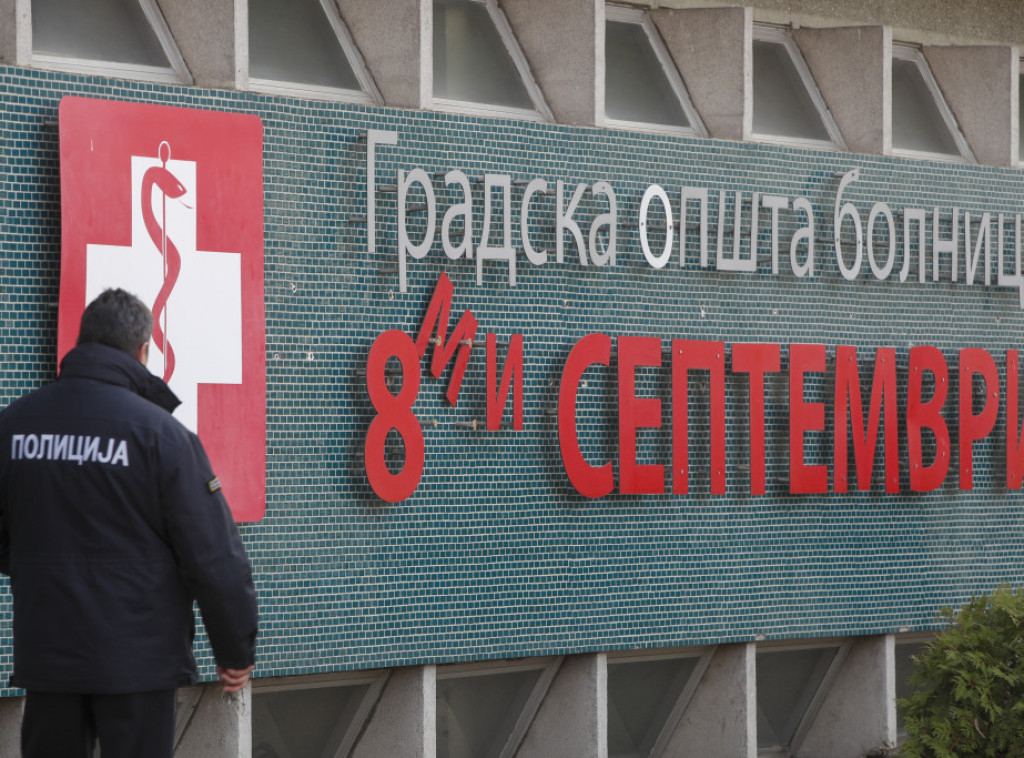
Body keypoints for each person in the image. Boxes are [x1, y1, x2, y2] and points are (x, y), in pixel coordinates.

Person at [0, 288, 258, 758]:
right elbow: (214, 556)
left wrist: (37, 569)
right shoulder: (162, 437)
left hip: (48, 658)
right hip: (139, 665)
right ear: (142, 351)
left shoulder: (13, 427)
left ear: (81, 342)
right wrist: (235, 651)